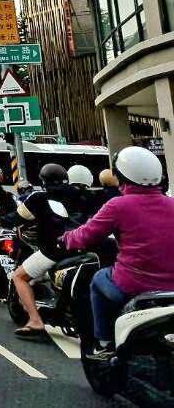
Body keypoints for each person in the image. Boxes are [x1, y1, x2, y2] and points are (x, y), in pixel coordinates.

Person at [61, 146, 174, 359]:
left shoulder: (118, 205)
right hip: (171, 289)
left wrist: (65, 238)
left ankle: (103, 343)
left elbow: (84, 236)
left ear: (121, 177)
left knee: (98, 279)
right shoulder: (171, 203)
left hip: (134, 284)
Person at [0, 163, 73, 341]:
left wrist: (0, 221)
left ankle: (35, 320)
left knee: (19, 276)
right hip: (84, 246)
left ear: (43, 181)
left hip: (54, 250)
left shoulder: (39, 197)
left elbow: (18, 217)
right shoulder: (81, 194)